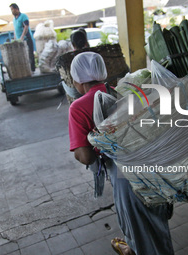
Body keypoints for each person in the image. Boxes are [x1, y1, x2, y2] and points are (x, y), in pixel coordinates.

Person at [68, 52, 174, 255]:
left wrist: (84, 149)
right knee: (157, 227)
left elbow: (86, 156)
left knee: (141, 232)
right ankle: (131, 248)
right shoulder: (122, 92)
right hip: (151, 166)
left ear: (78, 80)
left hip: (125, 176)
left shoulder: (78, 107)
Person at [9, 3, 35, 72]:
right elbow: (15, 30)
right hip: (19, 41)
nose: (12, 11)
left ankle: (32, 70)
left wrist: (22, 37)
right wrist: (15, 39)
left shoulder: (23, 16)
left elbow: (26, 27)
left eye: (12, 9)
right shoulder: (14, 19)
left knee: (29, 54)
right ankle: (25, 69)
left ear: (16, 9)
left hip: (26, 38)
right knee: (22, 56)